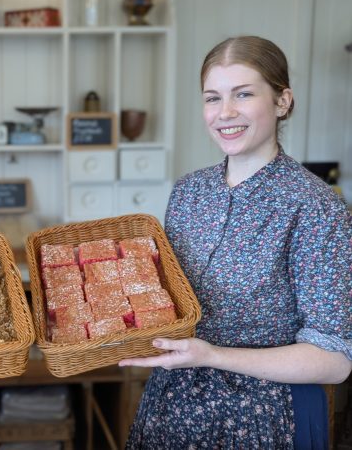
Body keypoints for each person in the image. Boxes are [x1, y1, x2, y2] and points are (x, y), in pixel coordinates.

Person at [120, 36, 352, 449]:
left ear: (282, 101)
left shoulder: (315, 207)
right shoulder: (189, 192)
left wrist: (212, 355)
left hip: (266, 417)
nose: (224, 113)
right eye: (212, 98)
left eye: (243, 94)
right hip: (171, 408)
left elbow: (334, 361)